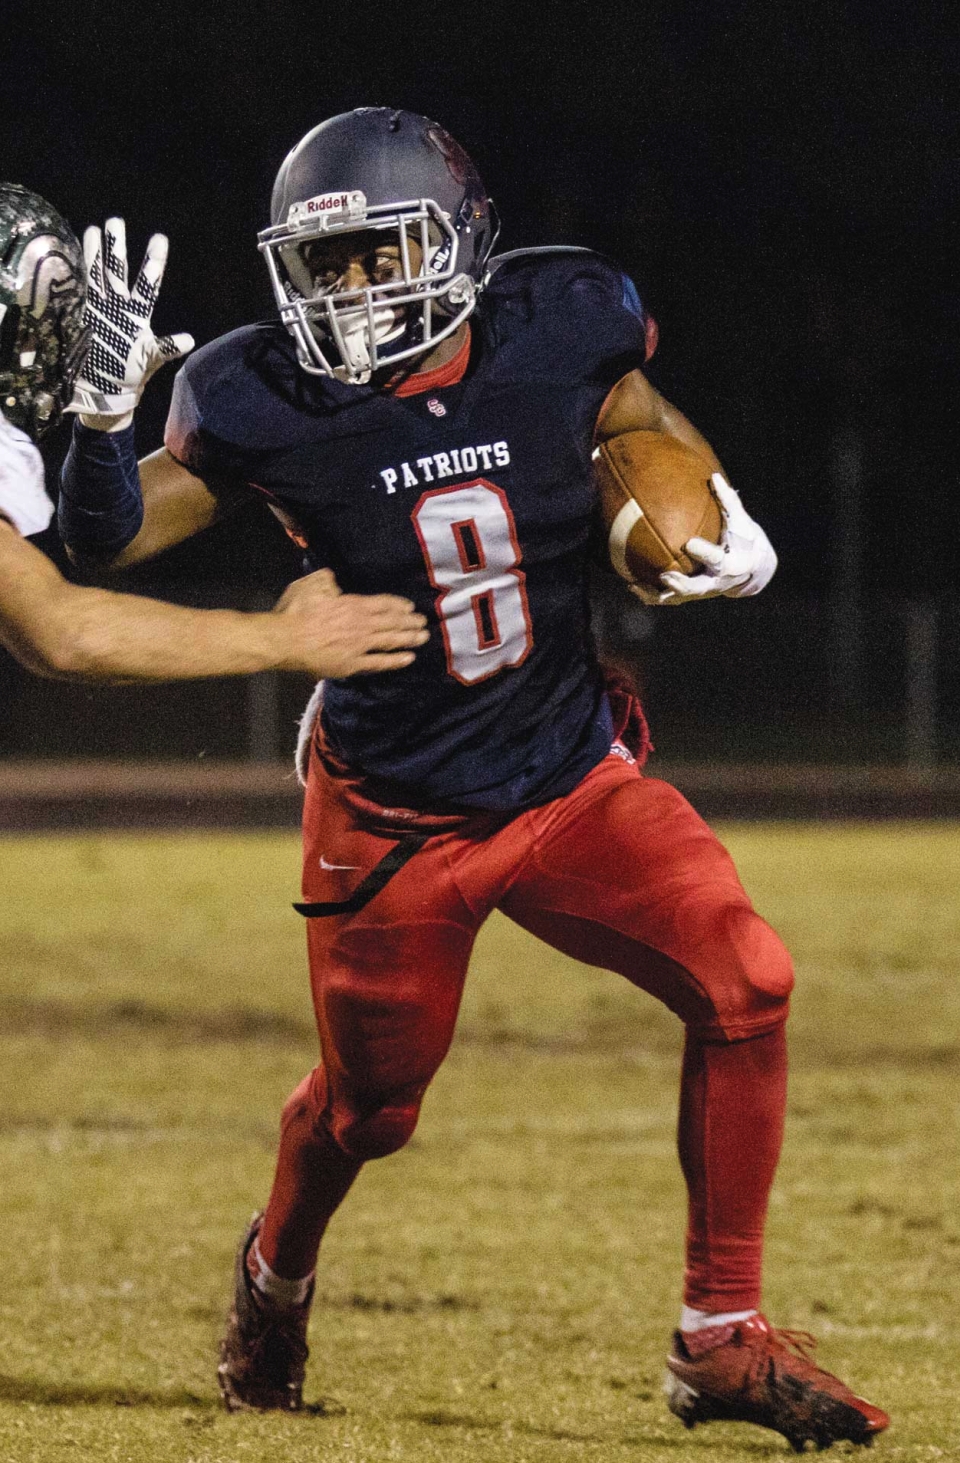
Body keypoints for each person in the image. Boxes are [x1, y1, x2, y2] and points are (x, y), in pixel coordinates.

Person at [58, 109, 888, 1451]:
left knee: (751, 974)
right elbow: (108, 533)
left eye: (382, 255)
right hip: (392, 816)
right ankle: (276, 1268)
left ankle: (719, 1336)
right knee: (369, 1109)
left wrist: (715, 504)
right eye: (324, 268)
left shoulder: (563, 317)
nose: (353, 292)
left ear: (460, 242)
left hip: (566, 773)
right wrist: (97, 431)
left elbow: (633, 415)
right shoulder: (255, 390)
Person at [0, 182, 427, 684]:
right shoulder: (262, 386)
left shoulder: (531, 336)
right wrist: (288, 637)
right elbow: (63, 631)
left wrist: (105, 423)